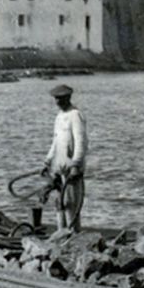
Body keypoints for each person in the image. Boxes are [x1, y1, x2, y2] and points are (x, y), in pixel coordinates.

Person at [42, 83, 87, 231]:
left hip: (71, 166)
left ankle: (73, 235)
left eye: (61, 98)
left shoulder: (75, 115)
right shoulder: (59, 116)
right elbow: (55, 141)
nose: (58, 102)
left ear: (68, 98)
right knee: (60, 203)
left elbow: (81, 142)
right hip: (58, 165)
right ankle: (60, 233)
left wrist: (76, 164)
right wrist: (48, 161)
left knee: (71, 204)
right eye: (56, 99)